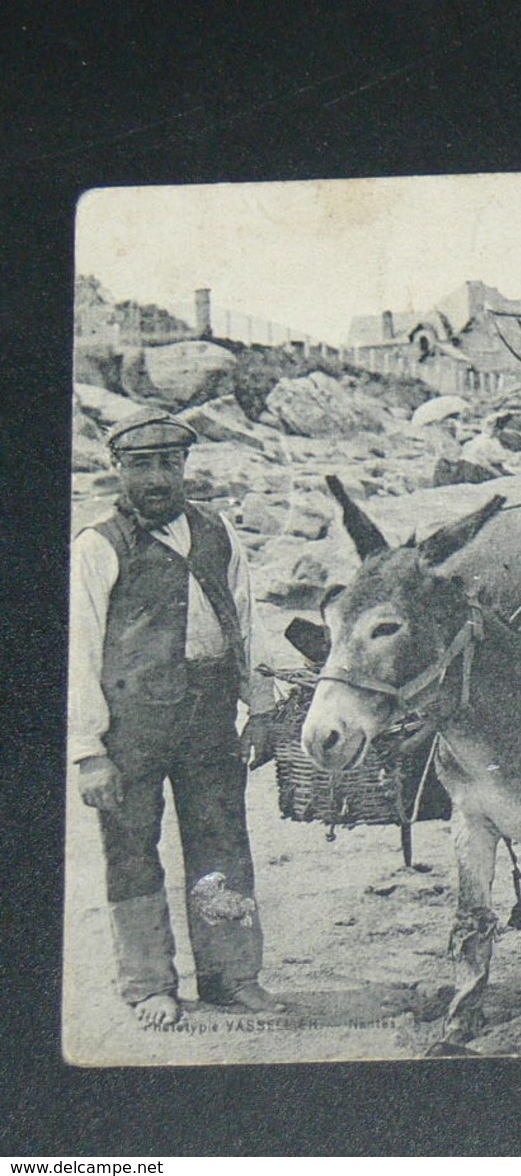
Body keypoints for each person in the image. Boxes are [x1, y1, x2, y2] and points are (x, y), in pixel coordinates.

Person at [68, 412, 283, 1026]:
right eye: (142, 465)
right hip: (130, 729)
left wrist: (260, 708)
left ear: (185, 467)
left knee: (222, 844)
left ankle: (231, 976)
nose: (158, 478)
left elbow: (246, 620)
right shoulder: (97, 546)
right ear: (118, 470)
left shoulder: (218, 533)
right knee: (131, 850)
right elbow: (77, 651)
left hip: (210, 720)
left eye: (169, 463)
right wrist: (89, 751)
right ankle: (147, 984)